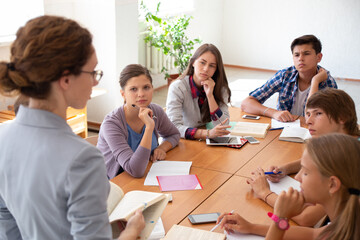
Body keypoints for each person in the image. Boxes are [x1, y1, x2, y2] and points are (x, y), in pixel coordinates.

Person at [0, 16, 144, 239]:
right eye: (93, 72)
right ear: (66, 79)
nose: (96, 81)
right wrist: (133, 231)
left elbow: (6, 219)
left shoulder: (2, 136)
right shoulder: (82, 159)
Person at [248, 88, 359, 227]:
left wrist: (264, 192)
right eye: (307, 114)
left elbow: (305, 218)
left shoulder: (351, 159)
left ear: (342, 117)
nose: (309, 121)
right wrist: (285, 168)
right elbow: (322, 160)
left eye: (318, 114)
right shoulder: (349, 140)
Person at [218, 134, 360, 239]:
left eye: (305, 172)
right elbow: (313, 234)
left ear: (332, 184)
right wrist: (252, 227)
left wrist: (281, 217)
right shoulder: (348, 219)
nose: (297, 177)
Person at [97, 64, 180, 179]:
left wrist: (161, 148)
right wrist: (149, 127)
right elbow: (135, 170)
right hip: (113, 184)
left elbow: (174, 134)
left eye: (146, 87)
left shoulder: (156, 110)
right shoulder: (111, 124)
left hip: (146, 177)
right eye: (133, 89)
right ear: (123, 94)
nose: (141, 94)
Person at [241, 35, 337, 122]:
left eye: (306, 54)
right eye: (296, 55)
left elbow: (313, 117)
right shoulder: (285, 75)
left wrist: (315, 82)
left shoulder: (328, 82)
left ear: (319, 57)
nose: (300, 58)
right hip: (285, 129)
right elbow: (246, 103)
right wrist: (274, 113)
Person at [166, 43, 232, 140]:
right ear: (193, 62)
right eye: (202, 62)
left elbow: (223, 125)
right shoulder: (178, 87)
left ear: (216, 70)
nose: (206, 69)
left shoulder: (221, 89)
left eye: (212, 66)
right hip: (184, 140)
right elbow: (173, 126)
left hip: (205, 141)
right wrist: (206, 133)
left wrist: (210, 96)